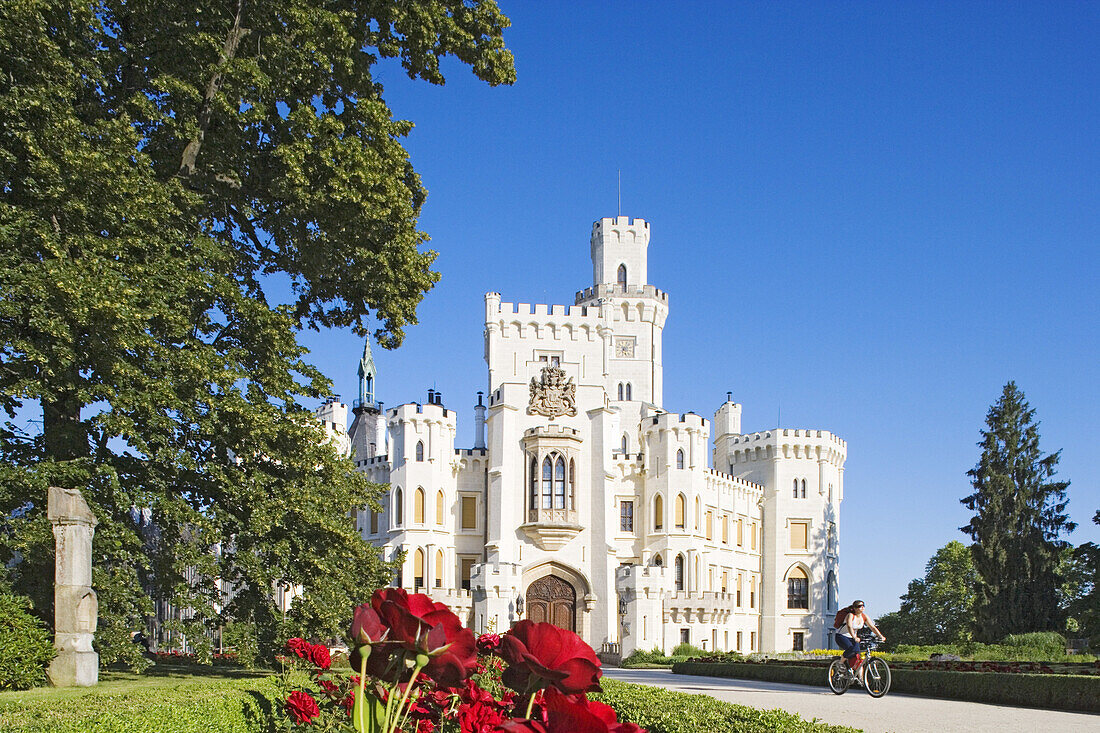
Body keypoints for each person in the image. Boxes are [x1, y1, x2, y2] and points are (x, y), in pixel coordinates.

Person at [835, 600, 884, 677]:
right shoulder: (850, 615)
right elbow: (849, 626)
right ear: (854, 608)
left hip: (854, 638)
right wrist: (854, 636)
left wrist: (880, 636)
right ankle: (840, 663)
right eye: (859, 606)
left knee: (858, 657)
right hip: (842, 636)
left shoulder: (864, 617)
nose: (861, 608)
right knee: (851, 649)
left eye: (863, 606)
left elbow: (872, 627)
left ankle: (860, 680)